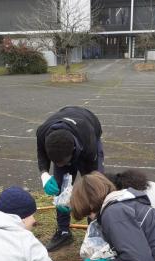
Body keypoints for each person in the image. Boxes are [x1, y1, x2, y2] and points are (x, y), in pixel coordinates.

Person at [36, 106, 104, 252]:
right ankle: (63, 232)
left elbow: (91, 178)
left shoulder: (87, 138)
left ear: (73, 149)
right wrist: (45, 175)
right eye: (57, 163)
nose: (63, 166)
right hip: (65, 141)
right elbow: (41, 155)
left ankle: (94, 231)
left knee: (94, 190)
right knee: (60, 188)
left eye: (64, 162)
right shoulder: (43, 132)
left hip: (89, 129)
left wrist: (81, 194)